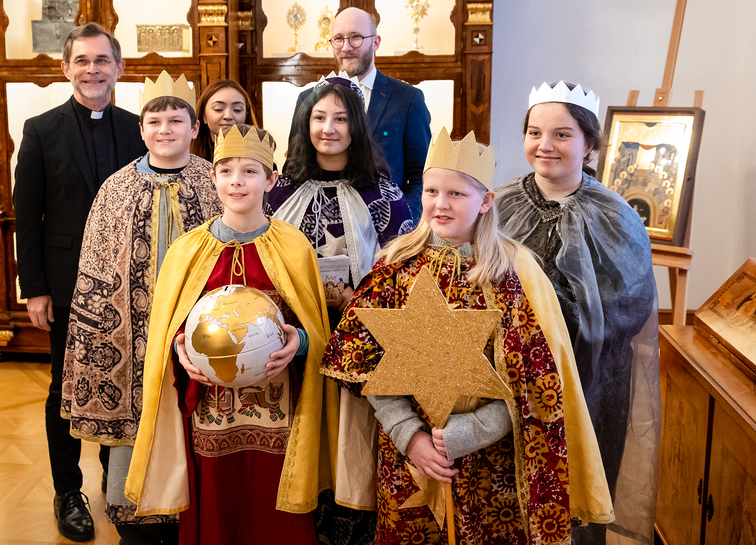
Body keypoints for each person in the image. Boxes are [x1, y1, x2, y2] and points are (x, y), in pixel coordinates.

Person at [320, 128, 613, 544]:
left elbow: (537, 383)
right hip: (410, 459)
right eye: (432, 191)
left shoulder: (513, 271)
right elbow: (360, 361)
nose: (440, 204)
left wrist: (473, 430)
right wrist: (409, 434)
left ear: (486, 201)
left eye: (456, 194)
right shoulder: (394, 266)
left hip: (488, 462)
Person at [124, 124, 339, 545]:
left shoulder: (293, 246)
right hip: (211, 411)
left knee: (273, 509)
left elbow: (315, 328)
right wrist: (179, 348)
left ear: (270, 180)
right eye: (225, 171)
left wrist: (300, 343)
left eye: (249, 171)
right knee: (219, 506)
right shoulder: (188, 250)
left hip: (280, 413)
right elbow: (169, 329)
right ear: (213, 178)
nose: (236, 181)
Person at [496, 81, 661, 545]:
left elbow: (630, 305)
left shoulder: (615, 215)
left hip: (590, 379)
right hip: (509, 375)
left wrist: (548, 313)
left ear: (589, 144)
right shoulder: (498, 204)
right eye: (534, 133)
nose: (544, 145)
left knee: (575, 493)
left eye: (562, 135)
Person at [60, 71, 222, 544]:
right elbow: (95, 269)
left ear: (195, 128)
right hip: (131, 337)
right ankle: (136, 519)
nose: (164, 129)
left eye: (176, 120)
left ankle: (196, 513)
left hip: (198, 331)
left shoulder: (215, 182)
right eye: (155, 121)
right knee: (137, 427)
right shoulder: (116, 188)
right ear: (141, 128)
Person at [14, 22, 146, 541]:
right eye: (83, 61)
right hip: (67, 284)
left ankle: (117, 487)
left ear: (119, 68)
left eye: (102, 60)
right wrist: (35, 288)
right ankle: (68, 491)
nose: (93, 70)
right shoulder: (40, 130)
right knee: (63, 388)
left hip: (130, 284)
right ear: (65, 67)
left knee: (124, 383)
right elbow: (28, 216)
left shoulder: (139, 128)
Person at [270, 75, 413, 545]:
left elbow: (404, 272)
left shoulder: (383, 195)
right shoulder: (279, 190)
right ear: (304, 124)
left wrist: (357, 300)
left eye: (340, 118)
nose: (328, 128)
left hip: (359, 338)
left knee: (351, 441)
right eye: (318, 117)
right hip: (292, 338)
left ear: (357, 126)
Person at [290, 7, 431, 221]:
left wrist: (404, 219)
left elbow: (422, 176)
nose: (346, 47)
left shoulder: (408, 99)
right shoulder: (307, 99)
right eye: (338, 39)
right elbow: (294, 167)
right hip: (321, 224)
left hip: (388, 228)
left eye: (356, 37)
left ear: (376, 42)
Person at [190, 79, 255, 162]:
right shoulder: (187, 161)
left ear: (246, 115)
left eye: (237, 109)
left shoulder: (261, 162)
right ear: (204, 116)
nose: (228, 116)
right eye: (218, 109)